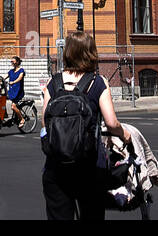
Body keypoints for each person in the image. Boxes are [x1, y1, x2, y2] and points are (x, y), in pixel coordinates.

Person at [40, 31, 130, 221]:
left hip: (55, 169)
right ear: (91, 53)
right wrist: (125, 134)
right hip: (88, 169)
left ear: (67, 53)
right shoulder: (98, 83)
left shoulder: (53, 82)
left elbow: (44, 123)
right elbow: (111, 123)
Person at [6, 56, 27, 128]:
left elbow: (20, 78)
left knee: (13, 106)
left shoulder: (21, 70)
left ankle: (22, 119)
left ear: (17, 62)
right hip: (12, 91)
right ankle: (15, 118)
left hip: (18, 91)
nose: (12, 63)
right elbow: (5, 77)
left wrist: (13, 82)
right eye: (11, 61)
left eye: (13, 61)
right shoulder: (11, 71)